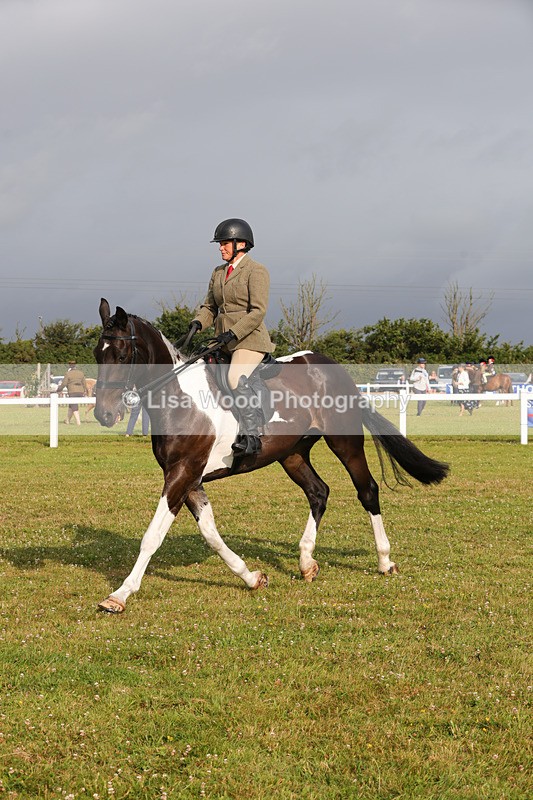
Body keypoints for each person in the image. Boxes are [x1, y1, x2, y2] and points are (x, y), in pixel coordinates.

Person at [189, 218, 275, 456]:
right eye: (220, 244)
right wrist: (197, 323)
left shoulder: (256, 271)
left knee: (235, 377)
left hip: (249, 339)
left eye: (225, 243)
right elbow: (209, 307)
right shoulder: (218, 273)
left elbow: (258, 311)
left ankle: (252, 435)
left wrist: (234, 332)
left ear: (242, 243)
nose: (220, 248)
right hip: (223, 340)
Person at [54, 360, 87, 425]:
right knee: (71, 406)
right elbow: (84, 383)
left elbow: (64, 383)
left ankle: (78, 422)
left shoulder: (68, 373)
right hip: (80, 392)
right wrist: (84, 390)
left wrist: (58, 390)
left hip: (72, 391)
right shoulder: (81, 373)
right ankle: (67, 420)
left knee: (74, 406)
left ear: (69, 366)